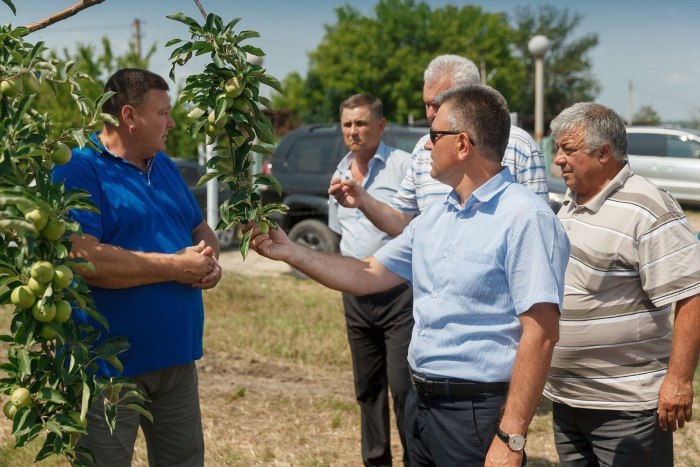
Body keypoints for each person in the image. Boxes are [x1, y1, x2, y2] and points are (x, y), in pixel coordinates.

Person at [247, 84, 570, 466]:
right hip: (422, 407)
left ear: (463, 144)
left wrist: (511, 437)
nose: (427, 146)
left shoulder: (526, 217)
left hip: (476, 413)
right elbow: (369, 271)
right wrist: (291, 252)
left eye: (435, 135)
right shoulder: (436, 216)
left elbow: (541, 333)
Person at [52, 68, 222, 466]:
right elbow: (83, 258)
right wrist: (176, 267)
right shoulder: (78, 167)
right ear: (129, 115)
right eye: (163, 113)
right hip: (108, 368)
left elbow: (199, 228)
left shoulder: (162, 165)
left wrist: (209, 262)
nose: (172, 122)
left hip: (176, 360)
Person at [543, 102, 700, 466]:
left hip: (627, 408)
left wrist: (678, 380)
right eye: (557, 149)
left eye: (568, 150)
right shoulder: (569, 202)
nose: (558, 161)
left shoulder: (649, 209)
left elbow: (691, 295)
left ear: (603, 153)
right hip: (568, 401)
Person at [330, 54, 548, 237]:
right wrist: (363, 201)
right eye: (426, 104)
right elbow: (400, 220)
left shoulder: (519, 145)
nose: (430, 113)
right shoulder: (423, 149)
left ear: (471, 97)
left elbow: (538, 228)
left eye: (437, 104)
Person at [328, 93, 413, 466]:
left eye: (361, 123)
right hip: (356, 295)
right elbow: (339, 233)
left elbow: (412, 230)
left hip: (398, 295)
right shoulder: (339, 171)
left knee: (403, 388)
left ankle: (417, 459)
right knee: (367, 388)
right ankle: (376, 461)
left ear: (380, 125)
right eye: (347, 124)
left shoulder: (404, 166)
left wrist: (365, 200)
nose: (353, 131)